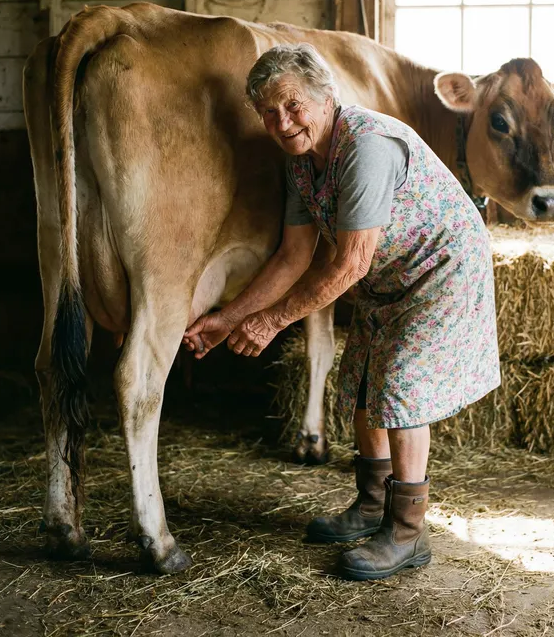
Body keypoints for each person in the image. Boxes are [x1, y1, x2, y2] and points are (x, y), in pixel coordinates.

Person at [183, 43, 500, 581]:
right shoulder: (303, 164)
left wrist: (272, 321)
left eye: (291, 105)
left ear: (325, 96)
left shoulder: (366, 147)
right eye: (267, 112)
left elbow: (350, 263)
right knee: (359, 384)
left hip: (441, 270)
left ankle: (408, 534)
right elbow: (293, 256)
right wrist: (230, 318)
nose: (281, 122)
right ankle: (372, 505)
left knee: (399, 390)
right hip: (388, 278)